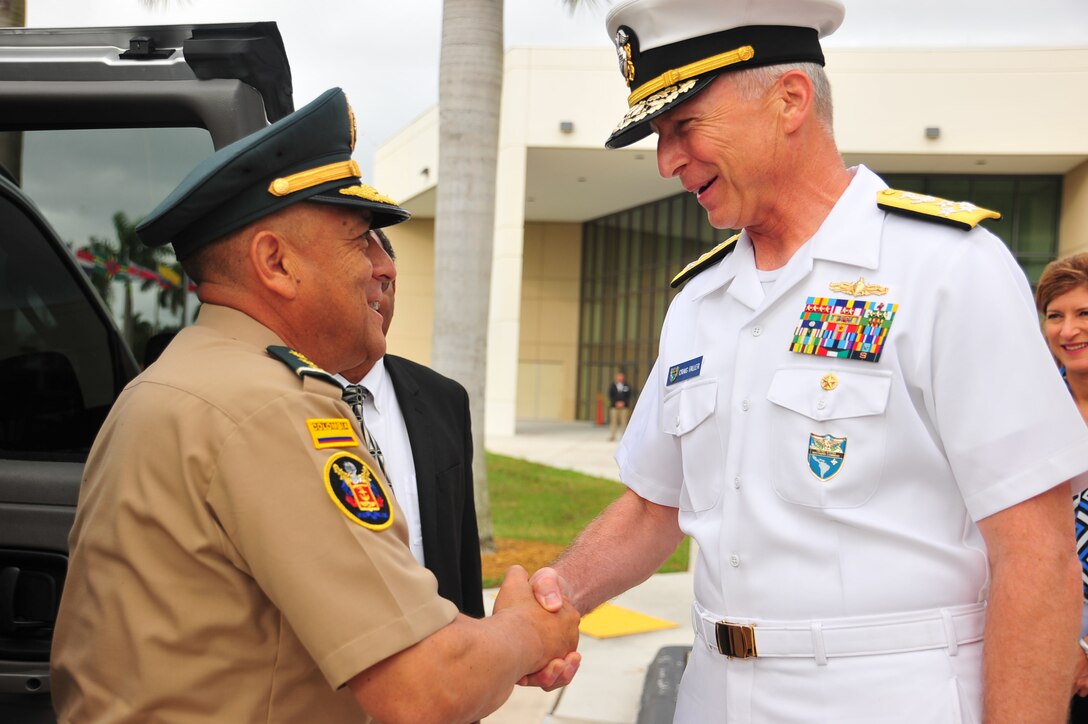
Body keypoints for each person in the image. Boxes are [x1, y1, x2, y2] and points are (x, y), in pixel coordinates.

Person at [526, 1, 1088, 720]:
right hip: (712, 695)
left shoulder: (946, 269)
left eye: (683, 126)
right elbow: (653, 506)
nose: (667, 161)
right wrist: (556, 596)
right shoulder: (700, 302)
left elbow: (1037, 557)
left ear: (790, 99)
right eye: (659, 137)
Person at [50, 87, 579, 724]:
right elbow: (424, 687)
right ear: (276, 262)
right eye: (361, 242)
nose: (381, 268)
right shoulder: (271, 408)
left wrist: (485, 649)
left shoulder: (168, 386)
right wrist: (528, 631)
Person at [337, 227, 485, 617]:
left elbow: (463, 548)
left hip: (441, 643)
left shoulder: (444, 399)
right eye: (365, 279)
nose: (378, 295)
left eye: (386, 283)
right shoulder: (278, 398)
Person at [1034, 252, 1088, 720]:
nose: (1068, 331)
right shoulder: (1028, 409)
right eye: (1055, 315)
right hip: (1038, 636)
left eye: (1084, 314)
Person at [607, 371, 632, 441]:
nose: (620, 379)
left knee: (624, 422)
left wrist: (623, 403)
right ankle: (613, 436)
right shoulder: (613, 386)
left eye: (621, 378)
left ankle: (624, 436)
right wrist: (616, 403)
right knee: (613, 422)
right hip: (614, 407)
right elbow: (610, 396)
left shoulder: (627, 386)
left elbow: (628, 396)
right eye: (619, 378)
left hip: (624, 407)